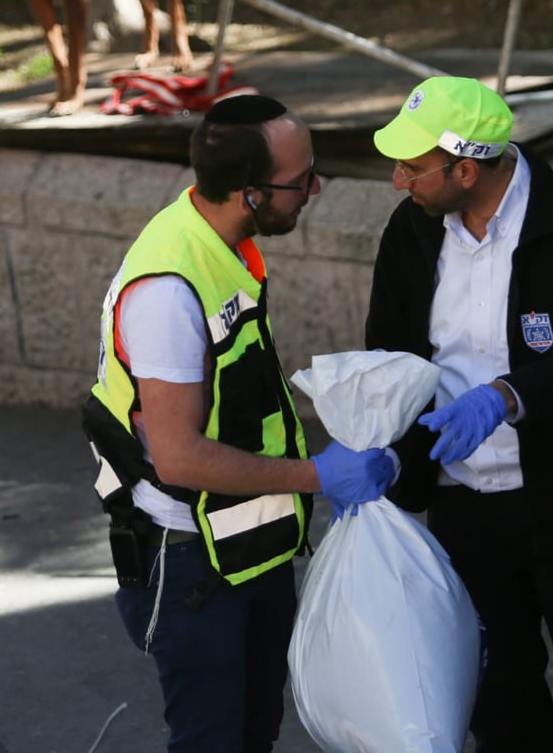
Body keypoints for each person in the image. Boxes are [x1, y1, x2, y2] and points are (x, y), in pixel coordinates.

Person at [365, 75, 553, 753]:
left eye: (412, 166)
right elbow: (386, 348)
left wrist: (505, 396)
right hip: (464, 503)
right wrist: (381, 448)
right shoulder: (411, 230)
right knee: (498, 697)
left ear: (465, 168)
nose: (396, 180)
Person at [81, 94, 394, 752]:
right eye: (302, 178)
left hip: (243, 545)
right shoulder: (169, 290)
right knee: (212, 742)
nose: (316, 188)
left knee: (252, 733)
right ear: (250, 193)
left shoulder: (223, 242)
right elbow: (179, 457)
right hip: (190, 563)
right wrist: (317, 475)